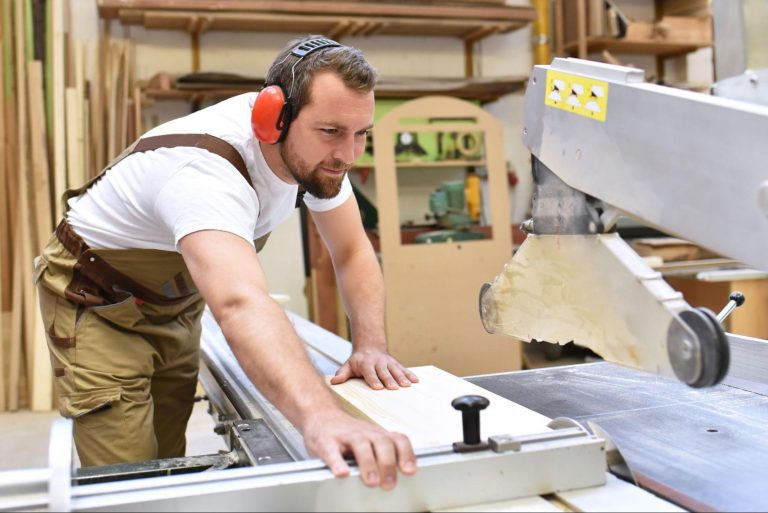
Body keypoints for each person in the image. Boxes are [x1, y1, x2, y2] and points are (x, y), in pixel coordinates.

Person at [34, 34, 420, 491]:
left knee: (166, 455)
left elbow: (352, 249)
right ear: (273, 119)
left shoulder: (320, 158)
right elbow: (238, 302)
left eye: (361, 134)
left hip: (174, 301)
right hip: (95, 297)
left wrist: (370, 345)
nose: (349, 154)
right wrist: (320, 416)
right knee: (132, 479)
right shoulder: (204, 170)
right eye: (332, 132)